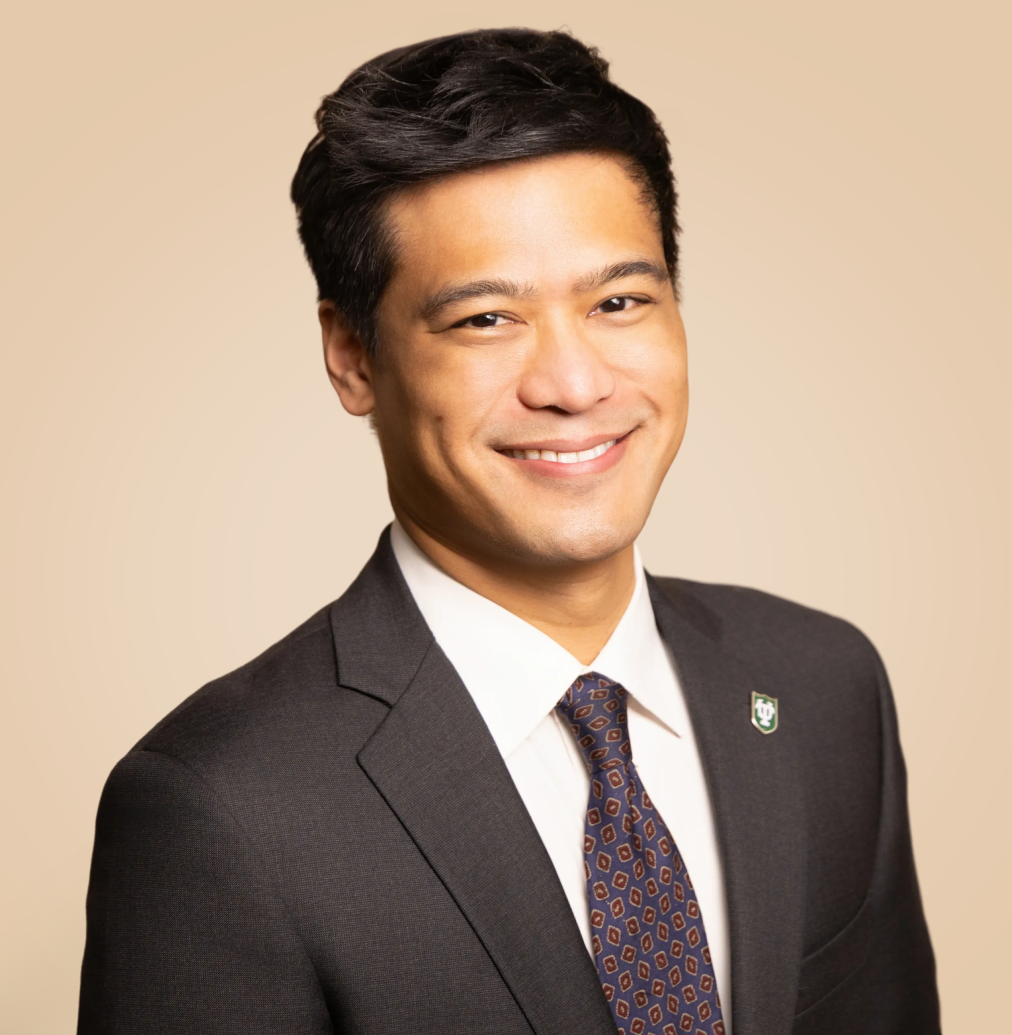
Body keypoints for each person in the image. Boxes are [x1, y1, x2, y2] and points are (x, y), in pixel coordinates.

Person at [77, 28, 939, 1035]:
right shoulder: (219, 809)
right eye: (486, 320)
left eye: (619, 301)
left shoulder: (823, 687)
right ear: (353, 358)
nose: (574, 385)